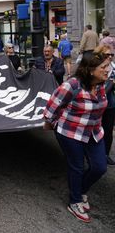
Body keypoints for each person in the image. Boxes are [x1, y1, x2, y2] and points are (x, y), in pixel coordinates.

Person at [43, 50, 110, 223]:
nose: (107, 69)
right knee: (77, 167)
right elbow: (52, 105)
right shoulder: (72, 85)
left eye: (107, 66)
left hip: (94, 133)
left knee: (99, 167)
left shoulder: (101, 84)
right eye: (103, 67)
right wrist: (50, 122)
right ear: (90, 70)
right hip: (70, 133)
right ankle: (75, 201)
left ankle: (80, 190)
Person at [97, 45, 115, 165]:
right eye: (106, 54)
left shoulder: (114, 68)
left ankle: (105, 154)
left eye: (111, 55)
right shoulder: (94, 67)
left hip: (109, 104)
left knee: (108, 130)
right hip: (95, 104)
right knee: (94, 129)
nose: (109, 57)